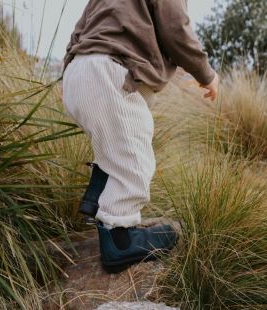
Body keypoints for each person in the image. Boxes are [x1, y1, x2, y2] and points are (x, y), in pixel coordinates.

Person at [62, 0, 219, 273]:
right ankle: (119, 239)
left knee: (114, 144)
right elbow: (175, 29)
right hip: (111, 71)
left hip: (78, 70)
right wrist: (206, 74)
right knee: (134, 159)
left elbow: (79, 29)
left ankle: (96, 197)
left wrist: (67, 72)